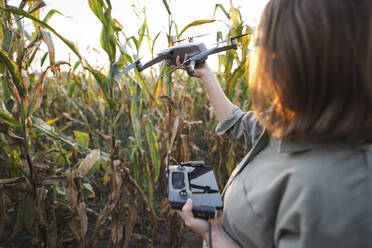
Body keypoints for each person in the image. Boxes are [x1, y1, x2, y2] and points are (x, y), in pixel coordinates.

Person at [176, 0, 372, 247]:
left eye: (268, 42)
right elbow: (238, 124)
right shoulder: (296, 122)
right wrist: (205, 73)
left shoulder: (341, 190)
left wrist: (214, 236)